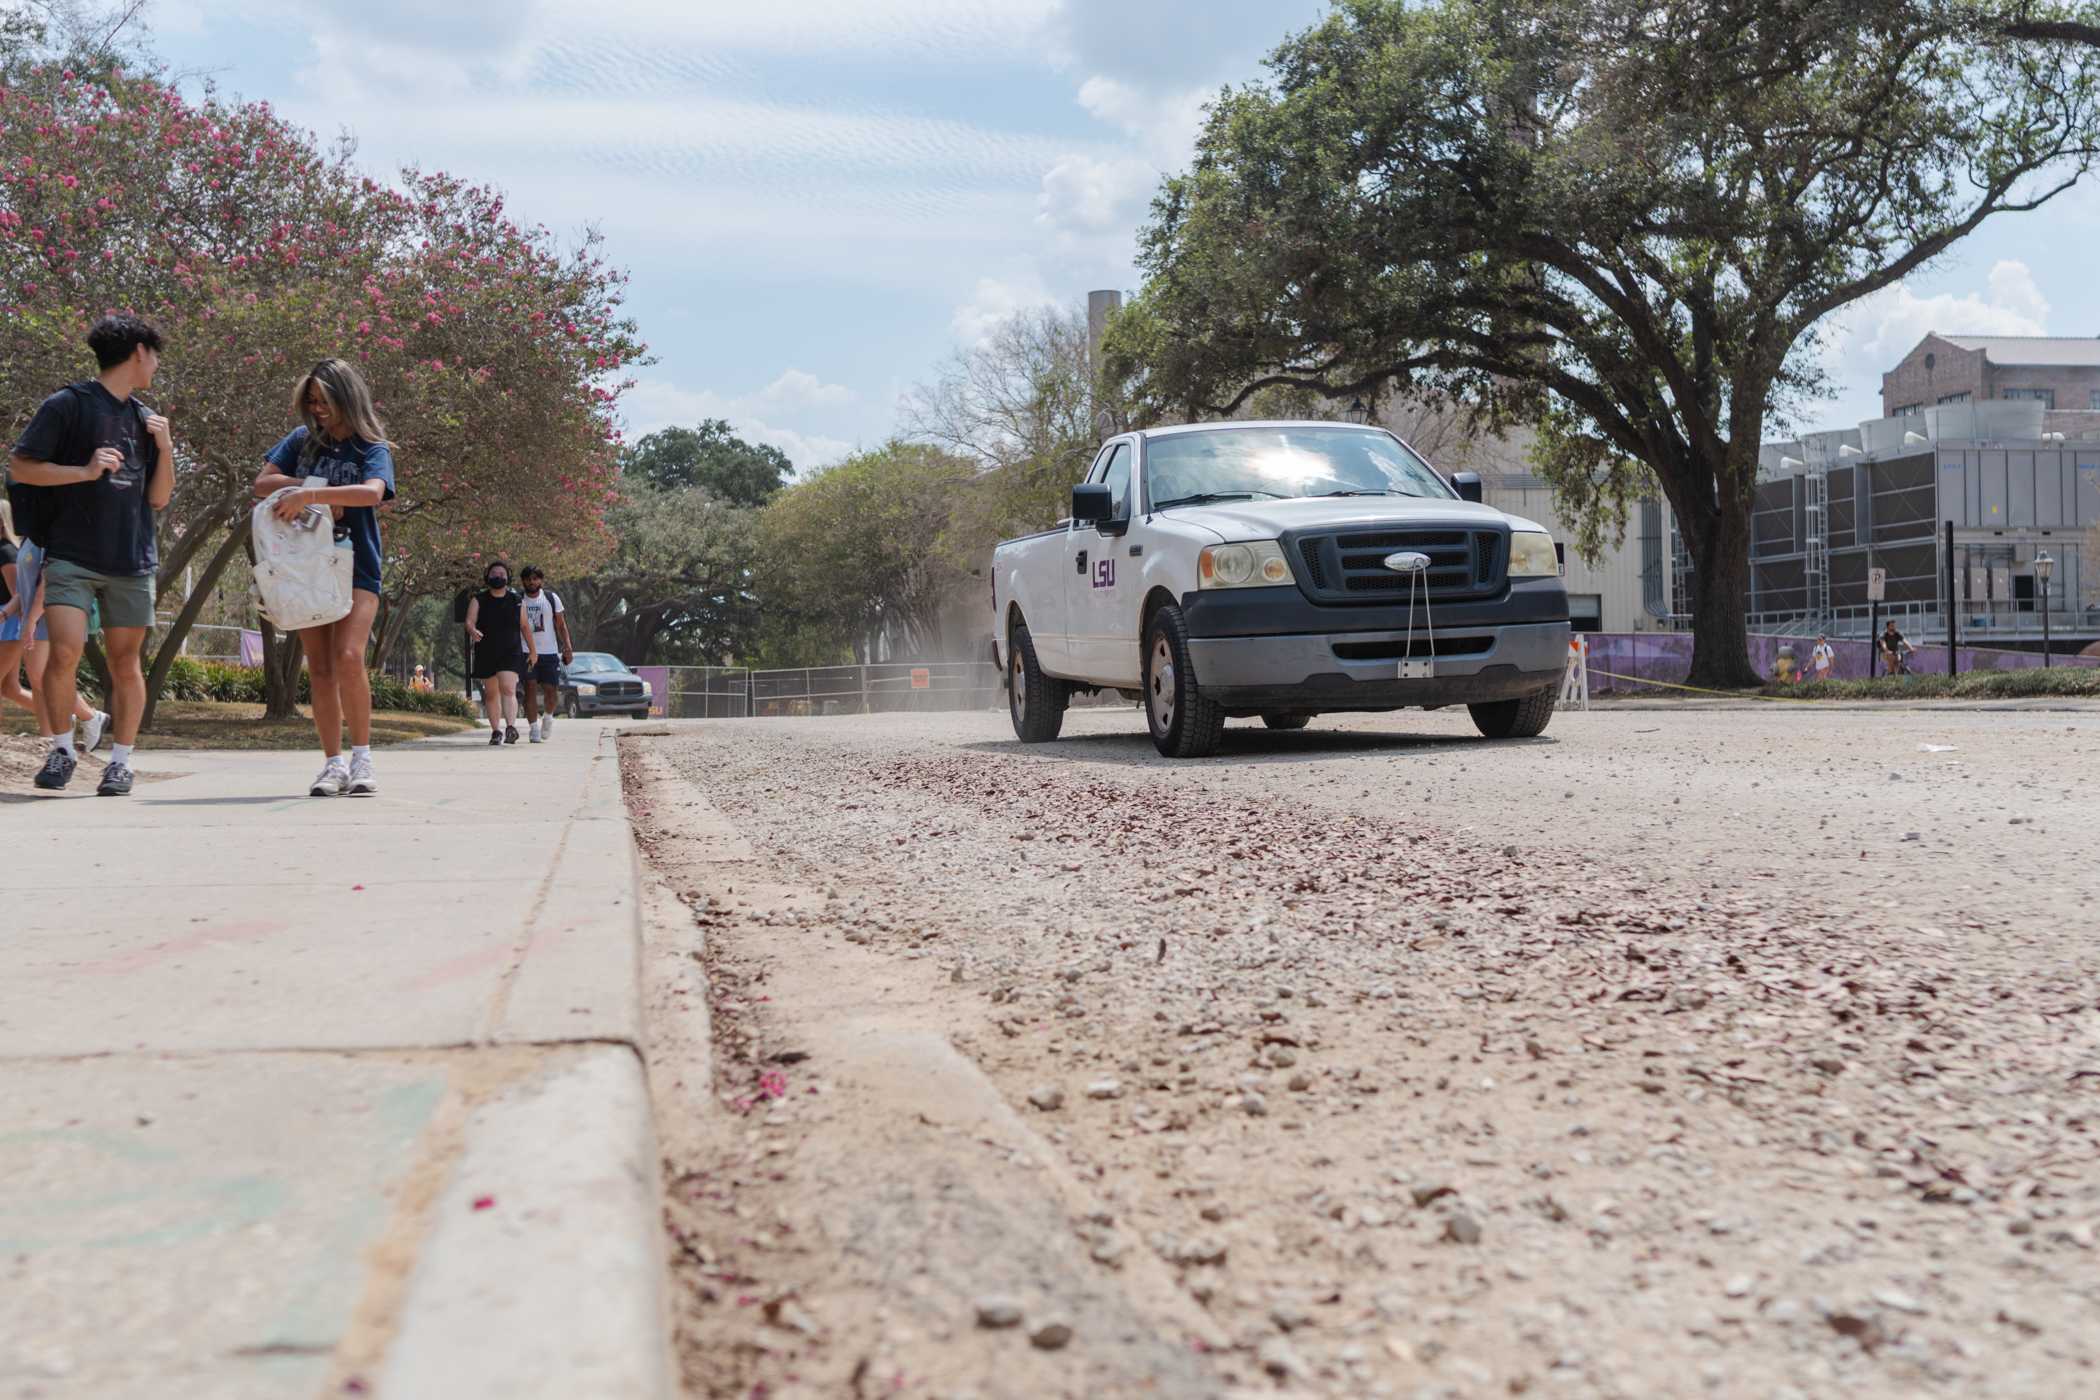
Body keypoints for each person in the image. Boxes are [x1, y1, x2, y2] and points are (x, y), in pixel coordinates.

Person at [8, 314, 173, 796]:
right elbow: (21, 467)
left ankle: (121, 763)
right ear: (139, 352)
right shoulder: (67, 405)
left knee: (126, 663)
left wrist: (165, 447)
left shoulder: (147, 419)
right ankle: (61, 750)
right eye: (155, 355)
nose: (156, 365)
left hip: (131, 558)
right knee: (62, 652)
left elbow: (159, 498)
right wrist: (83, 471)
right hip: (72, 555)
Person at [253, 358, 398, 797]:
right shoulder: (302, 441)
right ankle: (332, 765)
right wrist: (307, 487)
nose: (317, 409)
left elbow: (372, 493)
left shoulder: (372, 446)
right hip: (306, 567)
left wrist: (313, 494)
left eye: (325, 400)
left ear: (346, 397)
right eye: (311, 401)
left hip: (358, 566)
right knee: (319, 668)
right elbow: (263, 482)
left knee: (349, 656)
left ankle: (362, 757)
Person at [0, 501, 110, 750]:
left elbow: (46, 582)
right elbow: (24, 588)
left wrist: (28, 619)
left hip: (52, 614)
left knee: (45, 677)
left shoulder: (52, 539)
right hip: (34, 617)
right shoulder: (30, 540)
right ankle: (51, 736)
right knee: (40, 681)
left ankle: (90, 717)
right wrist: (14, 615)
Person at [465, 561, 534, 746]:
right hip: (486, 650)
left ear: (508, 577)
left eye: (502, 573)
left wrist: (533, 651)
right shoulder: (478, 599)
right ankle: (496, 731)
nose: (498, 576)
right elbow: (469, 621)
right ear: (488, 576)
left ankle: (511, 727)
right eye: (494, 573)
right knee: (491, 694)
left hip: (510, 650)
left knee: (508, 688)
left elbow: (525, 627)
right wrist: (472, 631)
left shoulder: (517, 600)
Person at [515, 565, 572, 743]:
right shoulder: (517, 600)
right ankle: (533, 729)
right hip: (526, 652)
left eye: (535, 578)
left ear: (541, 580)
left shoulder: (551, 598)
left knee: (551, 691)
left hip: (549, 652)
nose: (532, 582)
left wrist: (567, 647)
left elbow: (561, 625)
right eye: (528, 579)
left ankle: (548, 717)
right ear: (523, 581)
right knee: (530, 689)